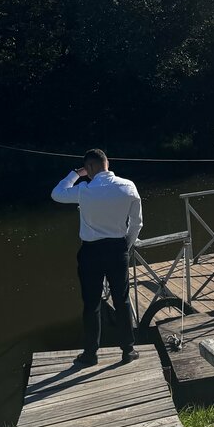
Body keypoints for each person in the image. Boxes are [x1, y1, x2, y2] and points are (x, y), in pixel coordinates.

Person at [51, 148, 143, 366]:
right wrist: (125, 245)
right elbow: (137, 223)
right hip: (117, 250)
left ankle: (91, 354)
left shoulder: (84, 190)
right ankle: (128, 350)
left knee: (91, 303)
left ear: (89, 167)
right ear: (107, 163)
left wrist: (76, 174)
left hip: (91, 252)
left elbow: (57, 193)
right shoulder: (128, 186)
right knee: (121, 300)